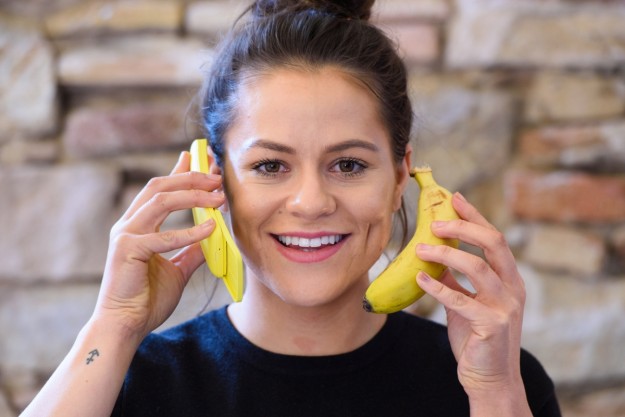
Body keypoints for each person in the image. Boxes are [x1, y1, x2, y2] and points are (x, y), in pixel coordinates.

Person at [22, 0, 561, 416]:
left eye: (348, 164)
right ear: (214, 179)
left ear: (401, 177)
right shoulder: (125, 385)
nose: (311, 203)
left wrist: (494, 392)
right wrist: (113, 326)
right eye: (270, 165)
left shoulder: (495, 379)